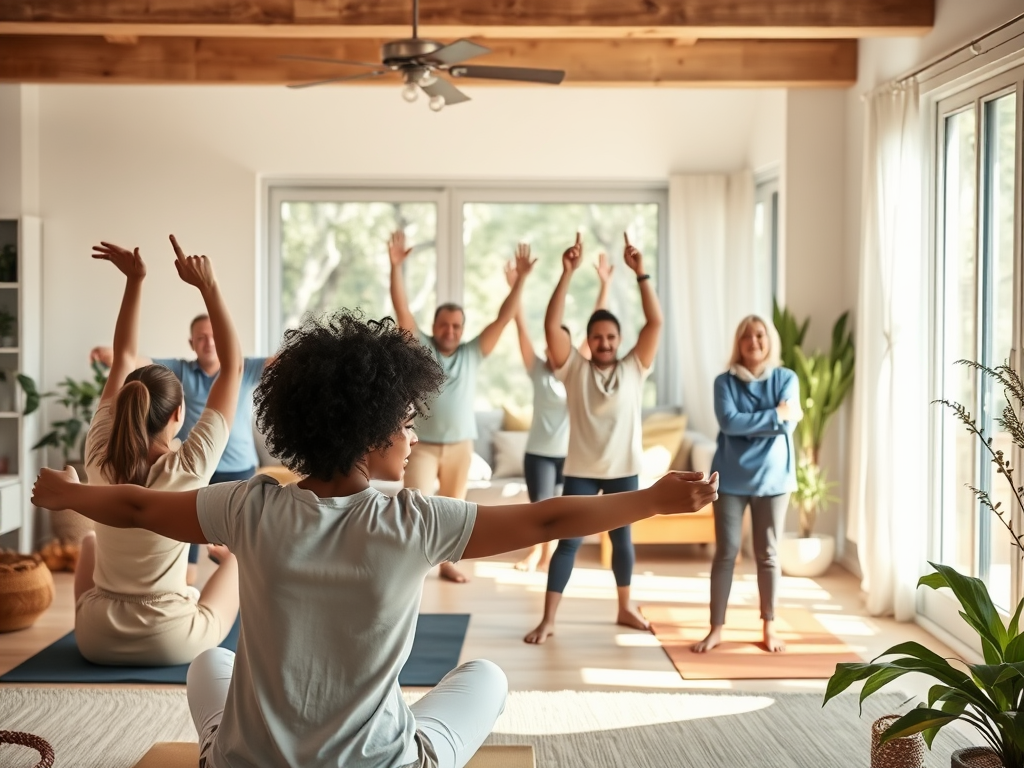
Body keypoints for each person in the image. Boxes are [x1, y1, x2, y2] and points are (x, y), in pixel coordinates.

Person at [31, 309, 719, 768]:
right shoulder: (415, 520)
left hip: (248, 763)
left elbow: (138, 506)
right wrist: (651, 500)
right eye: (405, 422)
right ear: (370, 434)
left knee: (210, 662)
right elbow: (547, 520)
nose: (413, 434)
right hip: (382, 764)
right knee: (486, 676)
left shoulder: (250, 504)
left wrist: (68, 494)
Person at [74, 235, 242, 665]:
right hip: (172, 640)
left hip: (95, 639)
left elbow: (124, 357)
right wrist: (208, 285)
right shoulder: (191, 464)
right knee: (238, 560)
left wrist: (135, 280)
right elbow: (233, 368)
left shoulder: (98, 452)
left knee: (90, 543)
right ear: (178, 414)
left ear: (124, 406)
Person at [524, 233, 664, 645]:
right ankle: (548, 619)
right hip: (582, 472)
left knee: (622, 540)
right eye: (598, 337)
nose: (604, 343)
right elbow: (551, 326)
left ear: (619, 340)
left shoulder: (635, 367)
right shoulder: (574, 370)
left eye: (611, 337)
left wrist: (641, 273)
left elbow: (655, 323)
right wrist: (566, 272)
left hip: (624, 471)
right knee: (568, 544)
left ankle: (625, 608)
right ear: (589, 341)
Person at [91, 306, 273, 584]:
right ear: (191, 343)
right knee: (186, 549)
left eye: (214, 336)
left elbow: (279, 362)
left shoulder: (245, 368)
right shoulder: (181, 370)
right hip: (196, 473)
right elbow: (138, 362)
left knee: (237, 548)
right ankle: (187, 586)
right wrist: (113, 356)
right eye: (201, 338)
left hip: (239, 470)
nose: (209, 342)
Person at [389, 230, 530, 583]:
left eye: (456, 326)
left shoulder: (472, 353)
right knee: (413, 507)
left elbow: (503, 318)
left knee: (454, 511)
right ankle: (409, 565)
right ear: (434, 327)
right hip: (422, 447)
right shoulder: (421, 348)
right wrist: (395, 267)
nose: (450, 330)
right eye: (444, 325)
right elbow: (402, 310)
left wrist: (520, 281)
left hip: (460, 447)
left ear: (463, 329)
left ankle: (447, 564)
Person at [691, 315, 802, 654]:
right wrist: (775, 415)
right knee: (726, 553)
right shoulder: (723, 382)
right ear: (738, 343)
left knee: (768, 554)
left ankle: (769, 626)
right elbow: (729, 423)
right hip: (730, 478)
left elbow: (788, 426)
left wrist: (757, 422)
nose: (753, 341)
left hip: (774, 478)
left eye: (760, 335)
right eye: (746, 336)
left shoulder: (786, 378)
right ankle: (716, 629)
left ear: (769, 340)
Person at [505, 248, 614, 573]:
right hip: (539, 453)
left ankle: (547, 555)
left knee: (563, 509)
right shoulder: (537, 369)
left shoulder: (575, 369)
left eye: (563, 345)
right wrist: (516, 286)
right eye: (553, 345)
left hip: (570, 454)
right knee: (539, 509)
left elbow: (596, 327)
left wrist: (605, 285)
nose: (557, 350)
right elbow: (520, 326)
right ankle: (536, 553)